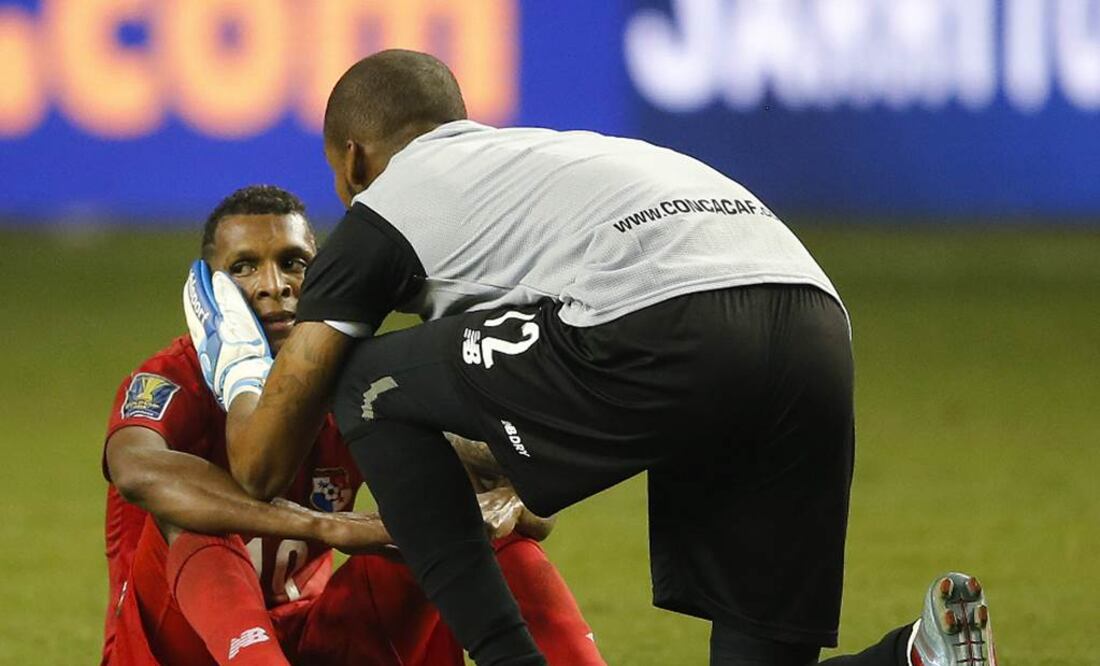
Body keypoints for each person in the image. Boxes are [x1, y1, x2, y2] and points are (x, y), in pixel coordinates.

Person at [183, 52, 997, 666]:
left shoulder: (388, 207)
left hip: (668, 320)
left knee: (364, 383)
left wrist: (238, 365)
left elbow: (259, 463)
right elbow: (514, 386)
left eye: (337, 175)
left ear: (354, 158)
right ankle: (917, 655)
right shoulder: (542, 171)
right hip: (813, 322)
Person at [104, 184, 604, 665]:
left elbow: (530, 507)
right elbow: (137, 471)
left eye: (292, 263)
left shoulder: (354, 379)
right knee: (192, 512)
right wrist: (324, 526)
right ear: (206, 290)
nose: (273, 285)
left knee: (460, 524)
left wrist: (506, 500)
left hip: (314, 635)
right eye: (244, 268)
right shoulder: (173, 376)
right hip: (179, 647)